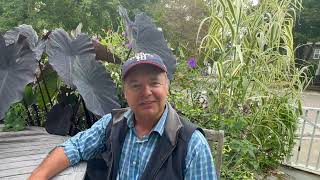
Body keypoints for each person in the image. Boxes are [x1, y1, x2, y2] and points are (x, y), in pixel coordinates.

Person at [29, 52, 217, 180]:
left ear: (167, 87)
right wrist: (38, 177)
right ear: (125, 92)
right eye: (136, 85)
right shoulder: (113, 124)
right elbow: (75, 147)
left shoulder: (191, 144)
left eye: (154, 83)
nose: (146, 92)